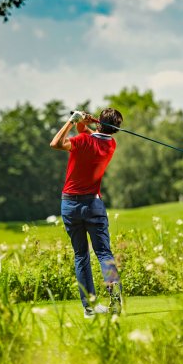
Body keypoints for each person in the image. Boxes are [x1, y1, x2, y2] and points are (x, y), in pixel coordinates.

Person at [50, 108, 123, 318]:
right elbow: (93, 135)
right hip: (93, 204)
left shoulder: (82, 141)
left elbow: (55, 143)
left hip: (70, 206)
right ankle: (115, 296)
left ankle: (89, 307)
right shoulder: (110, 144)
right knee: (104, 253)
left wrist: (71, 121)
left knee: (81, 255)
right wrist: (88, 121)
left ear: (99, 123)